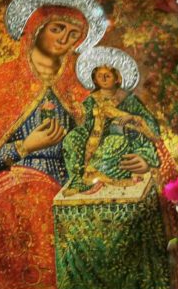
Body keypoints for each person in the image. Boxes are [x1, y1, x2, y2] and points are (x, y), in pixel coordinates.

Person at [0, 0, 143, 289]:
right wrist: (24, 147)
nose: (65, 38)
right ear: (36, 29)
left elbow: (105, 139)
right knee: (34, 201)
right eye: (57, 28)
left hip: (72, 180)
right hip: (11, 181)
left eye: (73, 33)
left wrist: (132, 158)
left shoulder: (80, 90)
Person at [63, 64, 160, 195]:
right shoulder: (92, 99)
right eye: (99, 76)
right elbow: (85, 121)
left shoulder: (128, 99)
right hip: (94, 136)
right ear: (95, 80)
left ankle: (94, 176)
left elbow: (150, 125)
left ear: (117, 78)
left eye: (107, 76)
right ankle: (78, 179)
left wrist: (131, 118)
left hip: (120, 135)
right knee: (72, 138)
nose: (103, 79)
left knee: (113, 143)